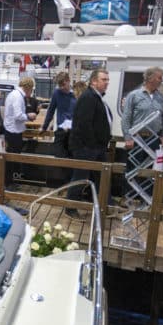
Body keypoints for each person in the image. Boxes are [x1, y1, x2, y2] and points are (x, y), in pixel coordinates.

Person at [65, 69, 113, 219]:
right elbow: (84, 125)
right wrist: (93, 145)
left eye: (107, 80)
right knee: (80, 178)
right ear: (94, 81)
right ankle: (70, 208)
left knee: (102, 177)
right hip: (86, 148)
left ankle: (106, 206)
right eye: (104, 79)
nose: (107, 82)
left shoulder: (96, 97)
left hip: (96, 147)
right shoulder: (88, 97)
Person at [121, 66, 163, 198]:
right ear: (150, 78)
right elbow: (126, 118)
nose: (162, 80)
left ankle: (146, 199)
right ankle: (128, 198)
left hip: (154, 140)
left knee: (151, 170)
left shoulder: (160, 97)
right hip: (137, 139)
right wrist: (128, 137)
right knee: (132, 169)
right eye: (159, 77)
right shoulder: (134, 95)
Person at [3, 77, 37, 190]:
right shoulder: (18, 97)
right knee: (11, 159)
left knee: (11, 160)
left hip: (11, 130)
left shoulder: (14, 94)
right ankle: (8, 184)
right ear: (28, 88)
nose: (31, 93)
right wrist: (29, 116)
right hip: (13, 132)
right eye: (32, 90)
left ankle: (9, 182)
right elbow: (18, 115)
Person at [41, 72, 77, 158]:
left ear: (68, 81)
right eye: (59, 85)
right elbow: (51, 111)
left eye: (63, 85)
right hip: (61, 131)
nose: (61, 87)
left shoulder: (76, 94)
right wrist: (44, 127)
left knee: (72, 158)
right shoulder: (56, 93)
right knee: (58, 156)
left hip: (74, 132)